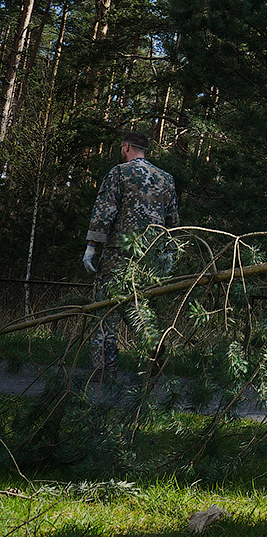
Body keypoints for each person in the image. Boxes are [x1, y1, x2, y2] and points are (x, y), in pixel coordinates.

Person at [83, 132, 179, 380]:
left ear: (126, 147)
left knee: (106, 311)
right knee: (141, 310)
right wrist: (169, 251)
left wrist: (92, 246)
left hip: (118, 255)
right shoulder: (166, 179)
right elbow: (172, 221)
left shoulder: (119, 173)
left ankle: (104, 370)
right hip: (150, 260)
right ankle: (153, 352)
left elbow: (104, 211)